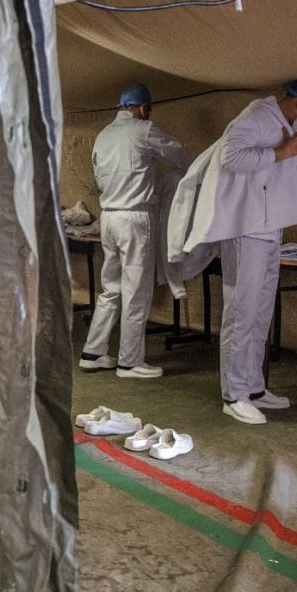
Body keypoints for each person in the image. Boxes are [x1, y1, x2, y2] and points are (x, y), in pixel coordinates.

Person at [195, 78, 297, 423]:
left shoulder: (282, 123)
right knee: (241, 312)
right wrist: (279, 153)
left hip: (268, 232)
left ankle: (254, 387)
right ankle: (234, 394)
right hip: (247, 231)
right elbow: (230, 156)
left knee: (259, 313)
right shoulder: (258, 116)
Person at [78, 83, 192, 379]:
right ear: (143, 108)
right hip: (135, 218)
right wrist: (192, 174)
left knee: (110, 288)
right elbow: (177, 151)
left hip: (109, 218)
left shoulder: (102, 136)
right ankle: (130, 362)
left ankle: (93, 352)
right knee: (137, 292)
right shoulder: (144, 130)